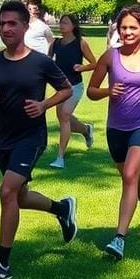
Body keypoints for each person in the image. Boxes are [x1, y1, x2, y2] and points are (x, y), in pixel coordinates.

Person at [0, 1, 75, 279]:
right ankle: (62, 209)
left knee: (7, 192)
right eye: (2, 23)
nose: (5, 28)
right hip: (2, 139)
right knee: (19, 196)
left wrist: (44, 104)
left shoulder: (41, 62)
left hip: (31, 138)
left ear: (24, 26)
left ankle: (3, 265)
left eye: (12, 23)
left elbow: (66, 89)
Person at [88, 6, 140, 259]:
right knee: (136, 180)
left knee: (130, 175)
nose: (128, 32)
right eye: (124, 27)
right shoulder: (109, 57)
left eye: (133, 27)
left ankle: (119, 238)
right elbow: (91, 90)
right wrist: (107, 92)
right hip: (116, 129)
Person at [47, 14, 98, 168]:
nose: (61, 25)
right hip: (60, 88)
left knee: (64, 117)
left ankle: (60, 158)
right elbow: (47, 62)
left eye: (65, 23)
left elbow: (94, 63)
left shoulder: (80, 43)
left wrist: (82, 67)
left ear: (73, 26)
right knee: (65, 119)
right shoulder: (55, 43)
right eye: (61, 22)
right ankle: (86, 129)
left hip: (75, 87)